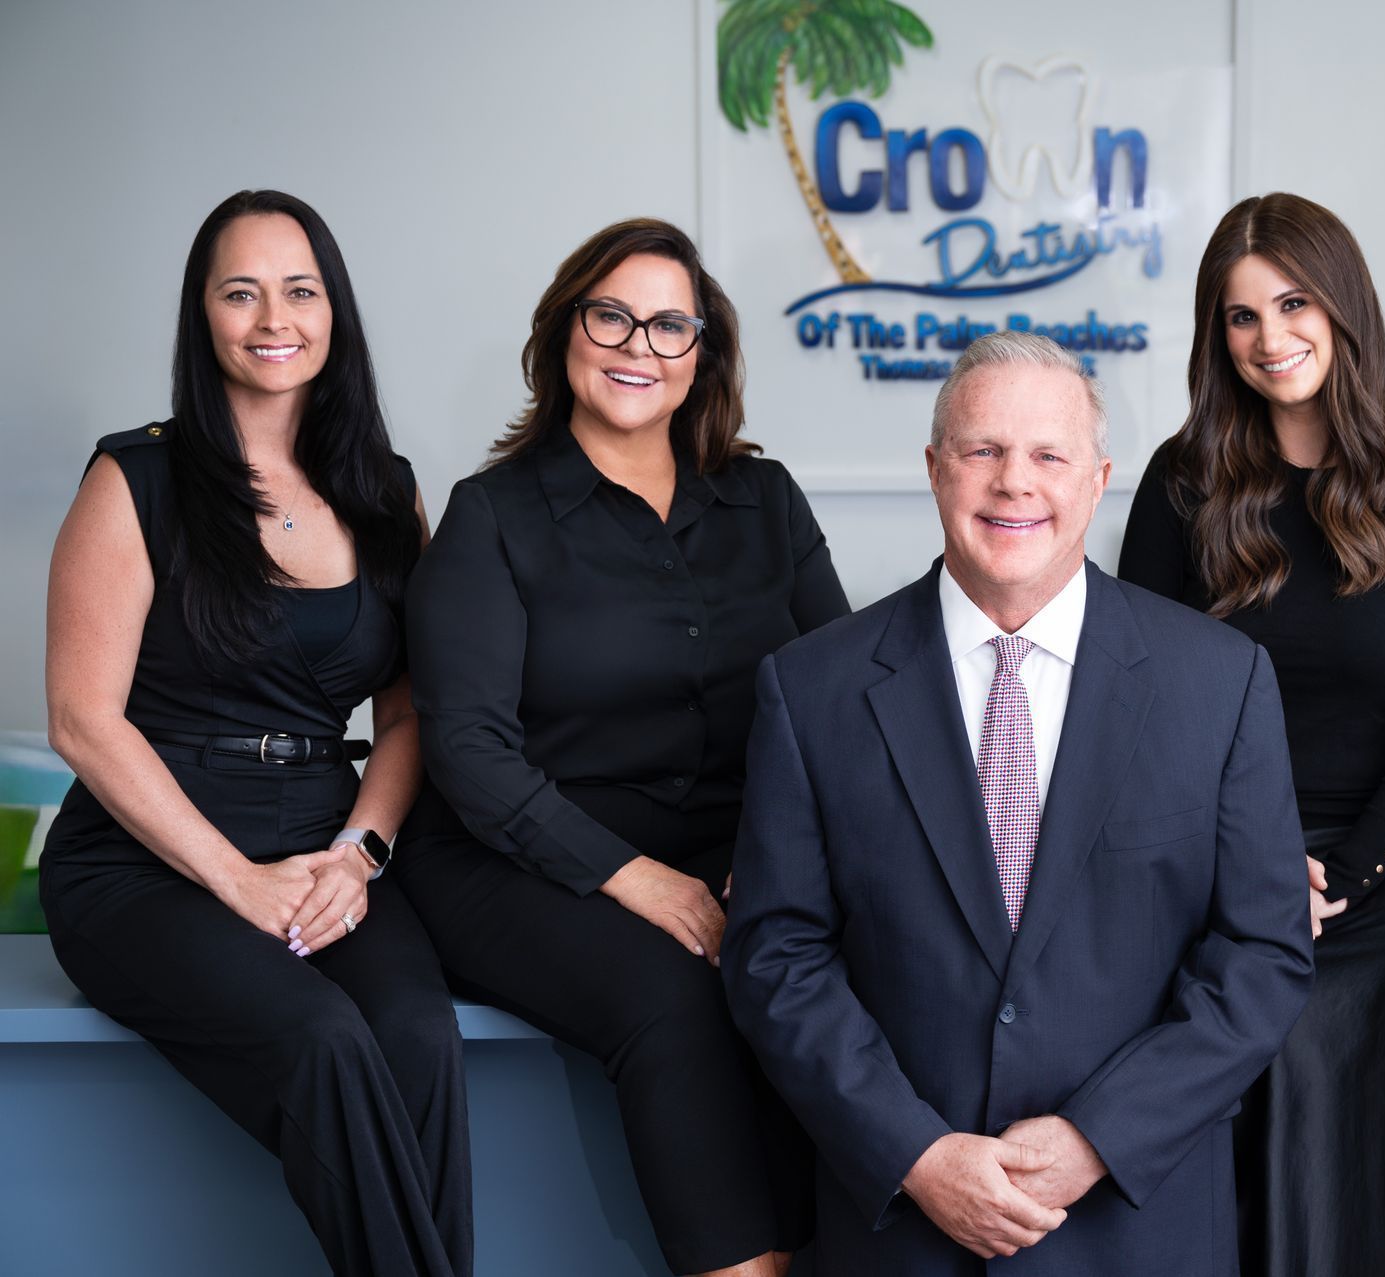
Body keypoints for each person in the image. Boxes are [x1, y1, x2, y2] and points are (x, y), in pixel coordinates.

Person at [722, 330, 1316, 1276]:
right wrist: (915, 1152)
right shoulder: (811, 688)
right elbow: (775, 954)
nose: (1014, 483)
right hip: (900, 1229)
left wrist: (1098, 1138)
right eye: (982, 450)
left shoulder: (1222, 681)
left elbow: (1264, 953)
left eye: (1049, 454)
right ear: (934, 468)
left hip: (1136, 1228)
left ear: (1099, 478)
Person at [400, 218, 842, 1277]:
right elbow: (466, 750)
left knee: (838, 969)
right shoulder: (492, 516)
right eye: (612, 314)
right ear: (566, 334)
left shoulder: (764, 501)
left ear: (702, 357)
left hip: (720, 847)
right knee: (679, 992)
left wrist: (783, 859)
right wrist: (640, 879)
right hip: (512, 854)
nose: (638, 344)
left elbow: (841, 700)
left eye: (669, 324)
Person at [39, 190, 470, 1276]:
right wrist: (238, 880)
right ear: (204, 316)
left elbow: (410, 711)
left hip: (327, 846)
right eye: (241, 291)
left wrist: (361, 853)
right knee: (324, 1041)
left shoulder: (385, 492)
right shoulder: (132, 479)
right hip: (146, 865)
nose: (272, 317)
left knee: (421, 1038)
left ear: (334, 313)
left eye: (299, 289)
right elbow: (83, 722)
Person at [1119, 192, 1385, 1277]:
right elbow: (1143, 708)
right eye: (1240, 316)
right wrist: (1254, 866)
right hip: (1223, 846)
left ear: (1342, 309)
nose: (1271, 337)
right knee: (1241, 1021)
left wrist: (1345, 865)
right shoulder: (1183, 483)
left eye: (1293, 303)